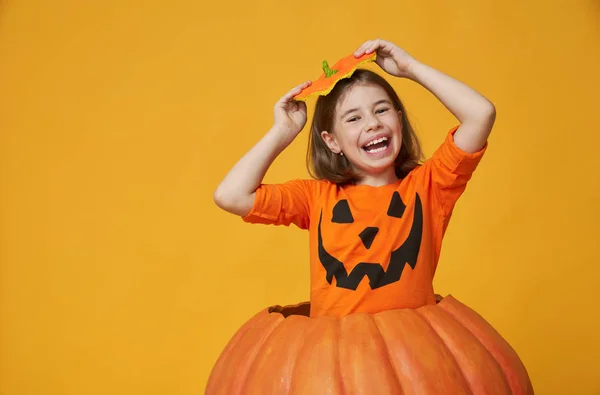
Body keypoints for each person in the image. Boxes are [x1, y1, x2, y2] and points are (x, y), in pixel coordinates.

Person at [213, 38, 496, 318]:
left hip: (412, 349)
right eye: (353, 118)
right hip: (335, 354)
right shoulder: (316, 198)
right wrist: (282, 131)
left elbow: (480, 115)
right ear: (332, 141)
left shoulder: (429, 188)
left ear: (399, 119)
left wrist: (410, 67)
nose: (373, 123)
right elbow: (231, 195)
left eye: (381, 110)